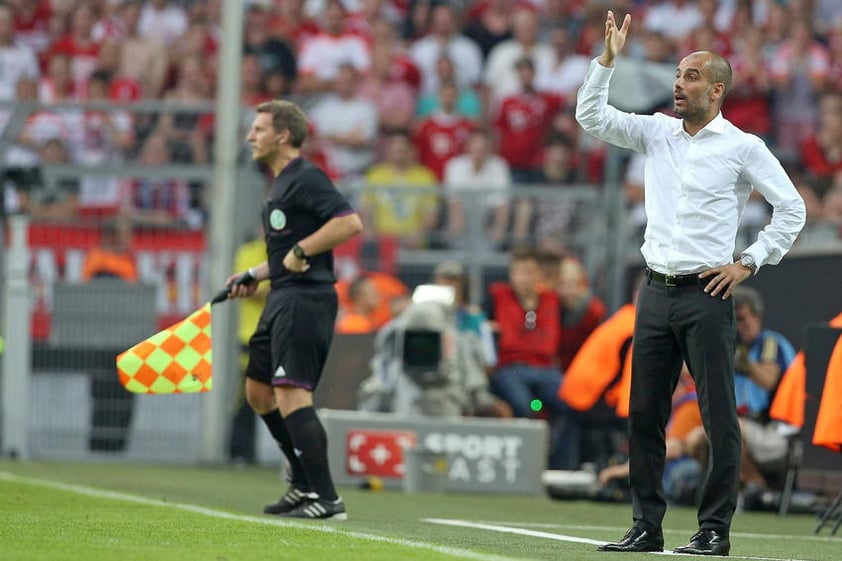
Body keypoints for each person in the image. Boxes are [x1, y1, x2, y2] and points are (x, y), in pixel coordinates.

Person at [578, 11, 805, 555]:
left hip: (708, 291)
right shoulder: (657, 132)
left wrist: (748, 262)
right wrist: (607, 61)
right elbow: (590, 116)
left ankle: (714, 531)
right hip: (654, 290)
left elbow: (791, 208)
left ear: (718, 89)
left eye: (692, 76)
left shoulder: (743, 146)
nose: (679, 83)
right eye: (678, 74)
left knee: (717, 416)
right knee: (644, 413)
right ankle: (645, 526)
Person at [226, 99, 363, 520]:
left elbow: (348, 223)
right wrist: (254, 272)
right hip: (283, 295)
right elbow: (286, 253)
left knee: (290, 394)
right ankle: (302, 484)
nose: (251, 136)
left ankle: (327, 498)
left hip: (306, 299)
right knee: (258, 392)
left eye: (260, 129)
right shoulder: (281, 183)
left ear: (283, 135)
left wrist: (304, 249)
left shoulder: (306, 176)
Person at [730, 286, 797, 491]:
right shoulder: (736, 346)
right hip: (750, 427)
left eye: (743, 319)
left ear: (757, 316)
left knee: (729, 428)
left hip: (778, 431)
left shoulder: (770, 343)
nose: (739, 326)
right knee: (700, 437)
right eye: (735, 320)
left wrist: (745, 364)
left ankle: (758, 487)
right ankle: (744, 488)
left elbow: (768, 379)